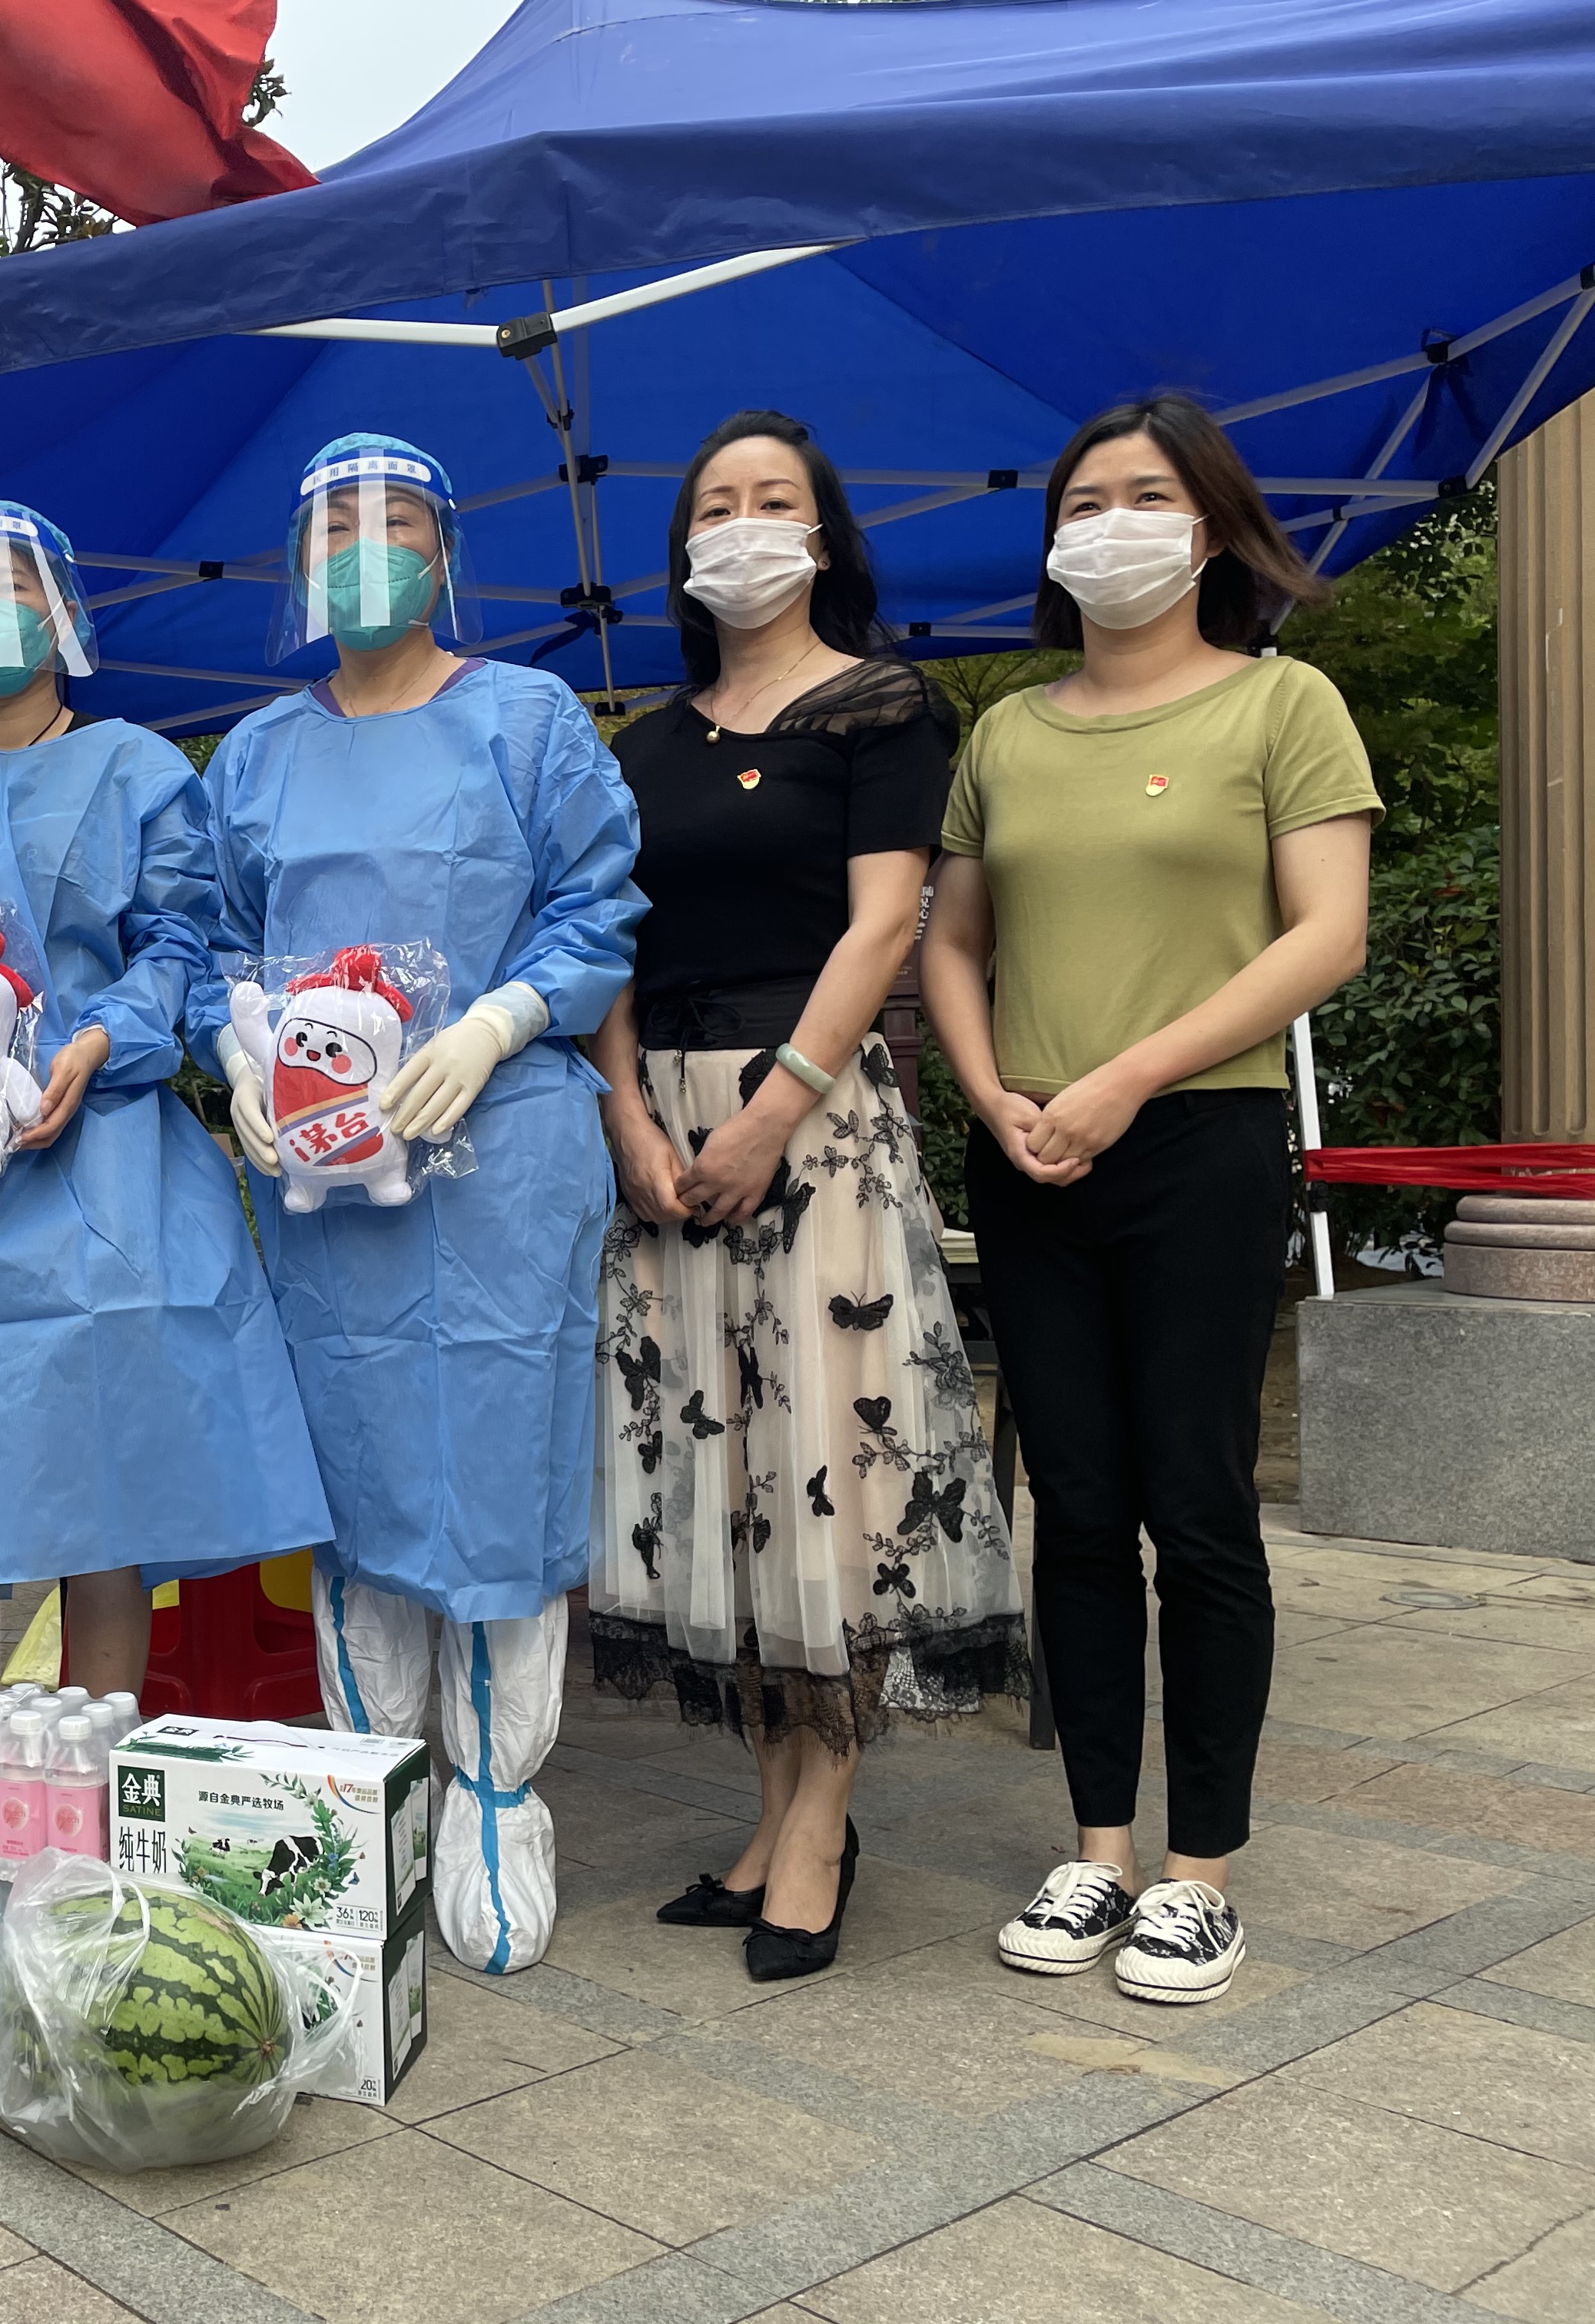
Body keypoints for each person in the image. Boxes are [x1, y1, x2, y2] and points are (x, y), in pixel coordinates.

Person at [927, 393, 1377, 2007]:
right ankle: (1098, 1847)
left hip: (1199, 1141)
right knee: (1075, 1505)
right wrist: (990, 1091)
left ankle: (1201, 1874)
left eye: (1145, 495)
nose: (1109, 523)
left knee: (1196, 1502)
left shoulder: (1282, 703)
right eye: (1084, 499)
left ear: (1210, 527)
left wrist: (1127, 1075)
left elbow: (1325, 934)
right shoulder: (1006, 732)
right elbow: (952, 939)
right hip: (1030, 1149)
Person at [582, 411, 1026, 1984]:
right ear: (683, 545)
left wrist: (770, 1112)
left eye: (774, 499)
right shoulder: (638, 746)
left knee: (828, 1470)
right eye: (715, 503)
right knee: (725, 1481)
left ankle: (824, 1818)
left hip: (811, 1119)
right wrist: (627, 1114)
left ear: (823, 535)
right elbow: (604, 944)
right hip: (664, 1129)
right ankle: (770, 1808)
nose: (743, 523)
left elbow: (881, 925)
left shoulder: (882, 709)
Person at [191, 435, 644, 1974]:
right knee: (354, 1466)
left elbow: (598, 900)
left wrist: (501, 1020)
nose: (363, 554)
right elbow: (212, 937)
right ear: (299, 564)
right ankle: (370, 1786)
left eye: (393, 525)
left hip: (498, 1151)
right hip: (322, 1178)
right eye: (334, 530)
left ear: (444, 550)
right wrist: (235, 1060)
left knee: (498, 1470)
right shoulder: (256, 753)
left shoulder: (525, 719)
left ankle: (497, 1799)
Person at [0, 500, 330, 1693]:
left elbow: (181, 941)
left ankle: (94, 1750)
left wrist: (98, 1040)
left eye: (16, 588)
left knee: (106, 1482)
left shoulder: (136, 768)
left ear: (64, 613)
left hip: (103, 1157)